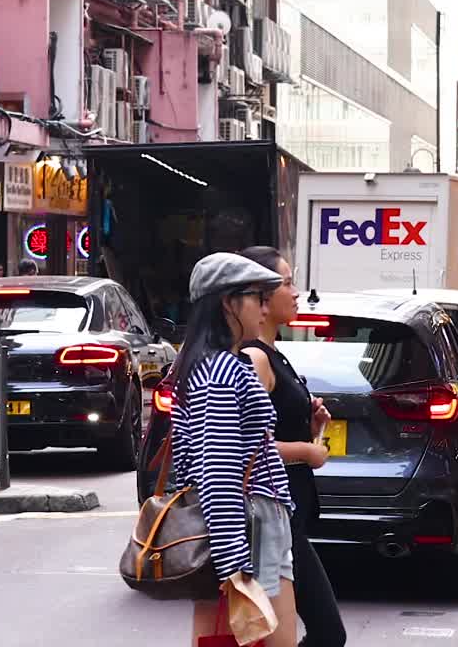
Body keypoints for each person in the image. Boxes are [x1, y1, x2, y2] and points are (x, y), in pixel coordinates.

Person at [172, 252, 299, 647]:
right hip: (248, 527)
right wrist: (234, 565)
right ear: (228, 302)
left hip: (252, 524)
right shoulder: (221, 371)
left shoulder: (214, 364)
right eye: (257, 297)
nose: (265, 307)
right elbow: (219, 471)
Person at [239, 246, 346, 647]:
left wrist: (313, 428)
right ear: (261, 300)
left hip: (289, 513)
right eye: (287, 282)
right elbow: (244, 448)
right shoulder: (254, 358)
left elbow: (271, 432)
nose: (297, 292)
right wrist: (307, 450)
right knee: (322, 633)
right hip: (269, 516)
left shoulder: (274, 354)